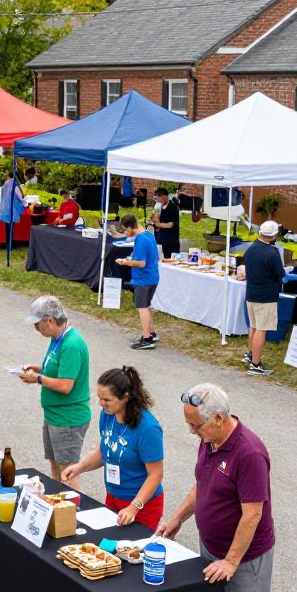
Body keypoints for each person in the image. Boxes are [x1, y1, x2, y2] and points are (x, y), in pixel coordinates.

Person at [157, 383, 276, 592]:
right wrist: (178, 518)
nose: (191, 431)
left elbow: (252, 514)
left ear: (219, 419)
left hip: (244, 558)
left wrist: (231, 562)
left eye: (195, 425)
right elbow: (202, 483)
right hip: (212, 549)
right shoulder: (209, 439)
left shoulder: (249, 454)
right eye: (189, 424)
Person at [62, 366, 164, 529]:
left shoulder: (148, 429)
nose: (101, 404)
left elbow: (155, 475)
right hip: (113, 497)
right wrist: (79, 467)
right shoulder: (108, 415)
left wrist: (134, 507)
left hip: (142, 506)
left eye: (107, 400)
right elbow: (104, 451)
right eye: (99, 398)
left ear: (125, 397)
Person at [18, 296, 91, 484]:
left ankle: (73, 503)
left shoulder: (71, 344)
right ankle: (57, 500)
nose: (35, 328)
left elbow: (66, 385)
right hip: (54, 415)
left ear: (49, 320)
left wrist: (38, 378)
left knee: (68, 473)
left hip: (68, 419)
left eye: (37, 324)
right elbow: (57, 370)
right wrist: (36, 369)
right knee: (55, 466)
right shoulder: (57, 338)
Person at [242, 220, 284, 376]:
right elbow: (280, 273)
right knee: (261, 328)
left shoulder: (251, 248)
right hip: (266, 296)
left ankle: (251, 354)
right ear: (273, 235)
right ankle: (256, 364)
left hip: (251, 293)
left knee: (253, 326)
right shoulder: (272, 253)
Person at [116, 213, 160, 350]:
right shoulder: (149, 235)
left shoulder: (140, 240)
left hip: (143, 279)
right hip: (153, 277)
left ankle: (147, 339)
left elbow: (141, 263)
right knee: (146, 306)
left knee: (142, 308)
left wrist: (125, 262)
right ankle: (151, 333)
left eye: (125, 229)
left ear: (130, 227)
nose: (125, 232)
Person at [151, 187, 181, 258]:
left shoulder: (173, 207)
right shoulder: (159, 207)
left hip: (171, 241)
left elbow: (171, 224)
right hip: (161, 240)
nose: (158, 201)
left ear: (164, 196)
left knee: (172, 260)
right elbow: (157, 227)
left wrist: (158, 224)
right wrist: (155, 221)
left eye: (158, 198)